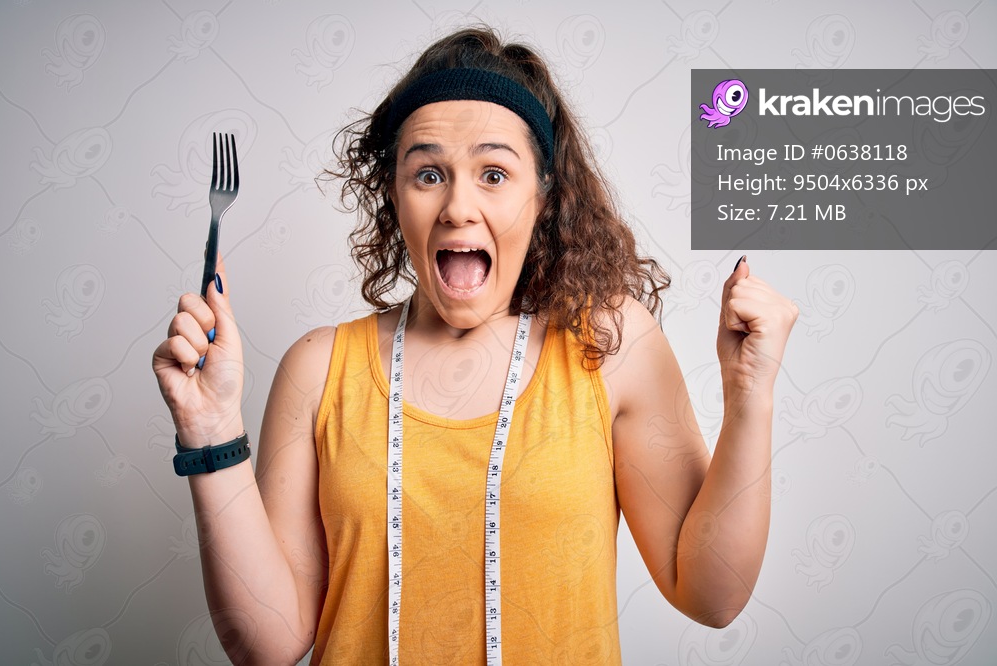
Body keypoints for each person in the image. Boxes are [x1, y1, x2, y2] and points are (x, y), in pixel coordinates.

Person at [152, 26, 797, 665]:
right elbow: (268, 644)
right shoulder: (318, 369)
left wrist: (750, 396)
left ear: (543, 199)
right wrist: (210, 432)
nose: (459, 206)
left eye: (494, 173)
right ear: (394, 198)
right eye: (428, 173)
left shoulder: (610, 347)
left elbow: (713, 597)